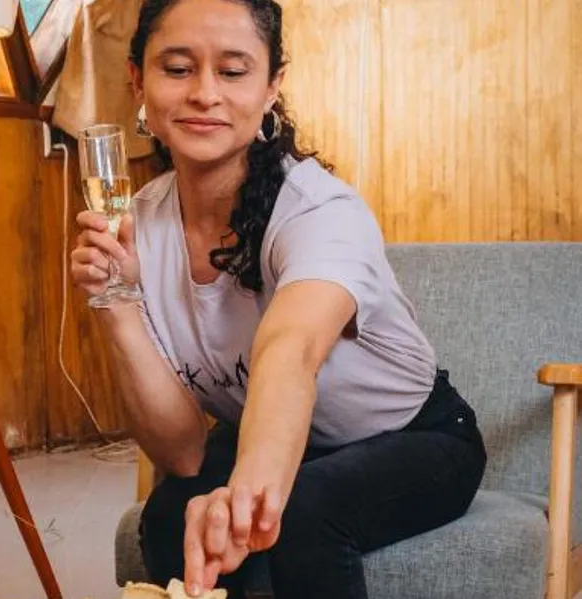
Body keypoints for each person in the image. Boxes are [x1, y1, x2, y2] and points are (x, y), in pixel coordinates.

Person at [71, 0, 487, 597]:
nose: (205, 94)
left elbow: (290, 351)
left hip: (418, 438)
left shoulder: (321, 212)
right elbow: (184, 455)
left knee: (301, 513)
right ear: (138, 80)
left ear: (272, 86)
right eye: (178, 68)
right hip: (272, 438)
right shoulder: (138, 224)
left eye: (233, 71)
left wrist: (245, 501)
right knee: (167, 517)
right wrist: (118, 304)